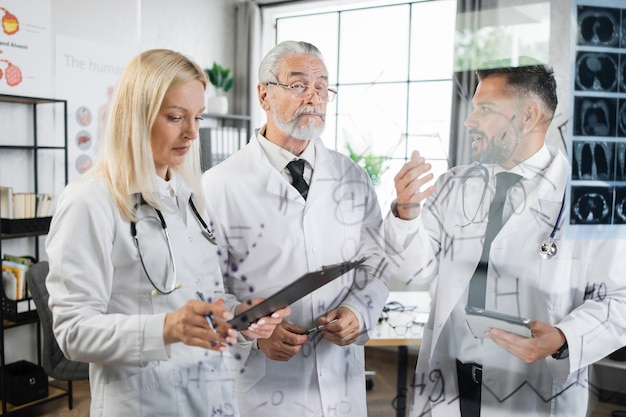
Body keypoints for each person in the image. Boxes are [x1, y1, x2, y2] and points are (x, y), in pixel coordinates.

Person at [45, 49, 287, 417]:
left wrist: (240, 317)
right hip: (144, 403)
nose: (191, 133)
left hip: (212, 397)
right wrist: (166, 329)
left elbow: (204, 297)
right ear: (135, 116)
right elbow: (72, 331)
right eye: (176, 117)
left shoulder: (189, 196)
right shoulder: (90, 201)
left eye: (198, 118)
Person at [384, 60, 626, 417]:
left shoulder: (593, 199)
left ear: (527, 116)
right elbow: (413, 269)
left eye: (485, 109)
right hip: (451, 384)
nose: (470, 121)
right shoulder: (453, 184)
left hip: (532, 392)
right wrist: (406, 213)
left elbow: (618, 301)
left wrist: (562, 337)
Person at [201, 40, 389, 417]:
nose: (313, 97)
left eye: (322, 87)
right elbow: (203, 288)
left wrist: (357, 311)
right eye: (298, 84)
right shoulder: (217, 185)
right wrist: (249, 331)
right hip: (262, 386)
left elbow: (375, 261)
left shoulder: (351, 177)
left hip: (339, 377)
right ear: (264, 94)